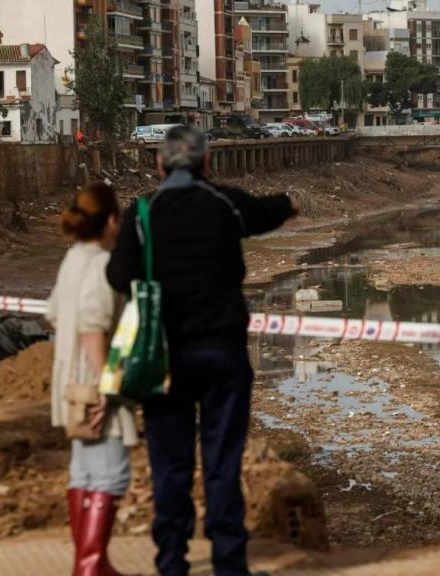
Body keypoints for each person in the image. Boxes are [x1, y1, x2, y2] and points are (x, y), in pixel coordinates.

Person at [106, 126, 296, 576]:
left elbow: (117, 276)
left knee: (170, 465)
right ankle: (230, 563)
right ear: (207, 164)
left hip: (164, 358)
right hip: (222, 354)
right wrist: (290, 203)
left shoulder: (142, 214)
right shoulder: (225, 203)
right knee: (222, 461)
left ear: (160, 163)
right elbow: (269, 211)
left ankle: (172, 562)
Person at [47, 183, 138, 576]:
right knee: (112, 470)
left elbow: (54, 313)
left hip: (69, 378)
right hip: (95, 379)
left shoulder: (72, 259)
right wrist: (107, 383)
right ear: (112, 220)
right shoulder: (103, 264)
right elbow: (92, 325)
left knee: (84, 470)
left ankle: (88, 563)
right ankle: (91, 565)